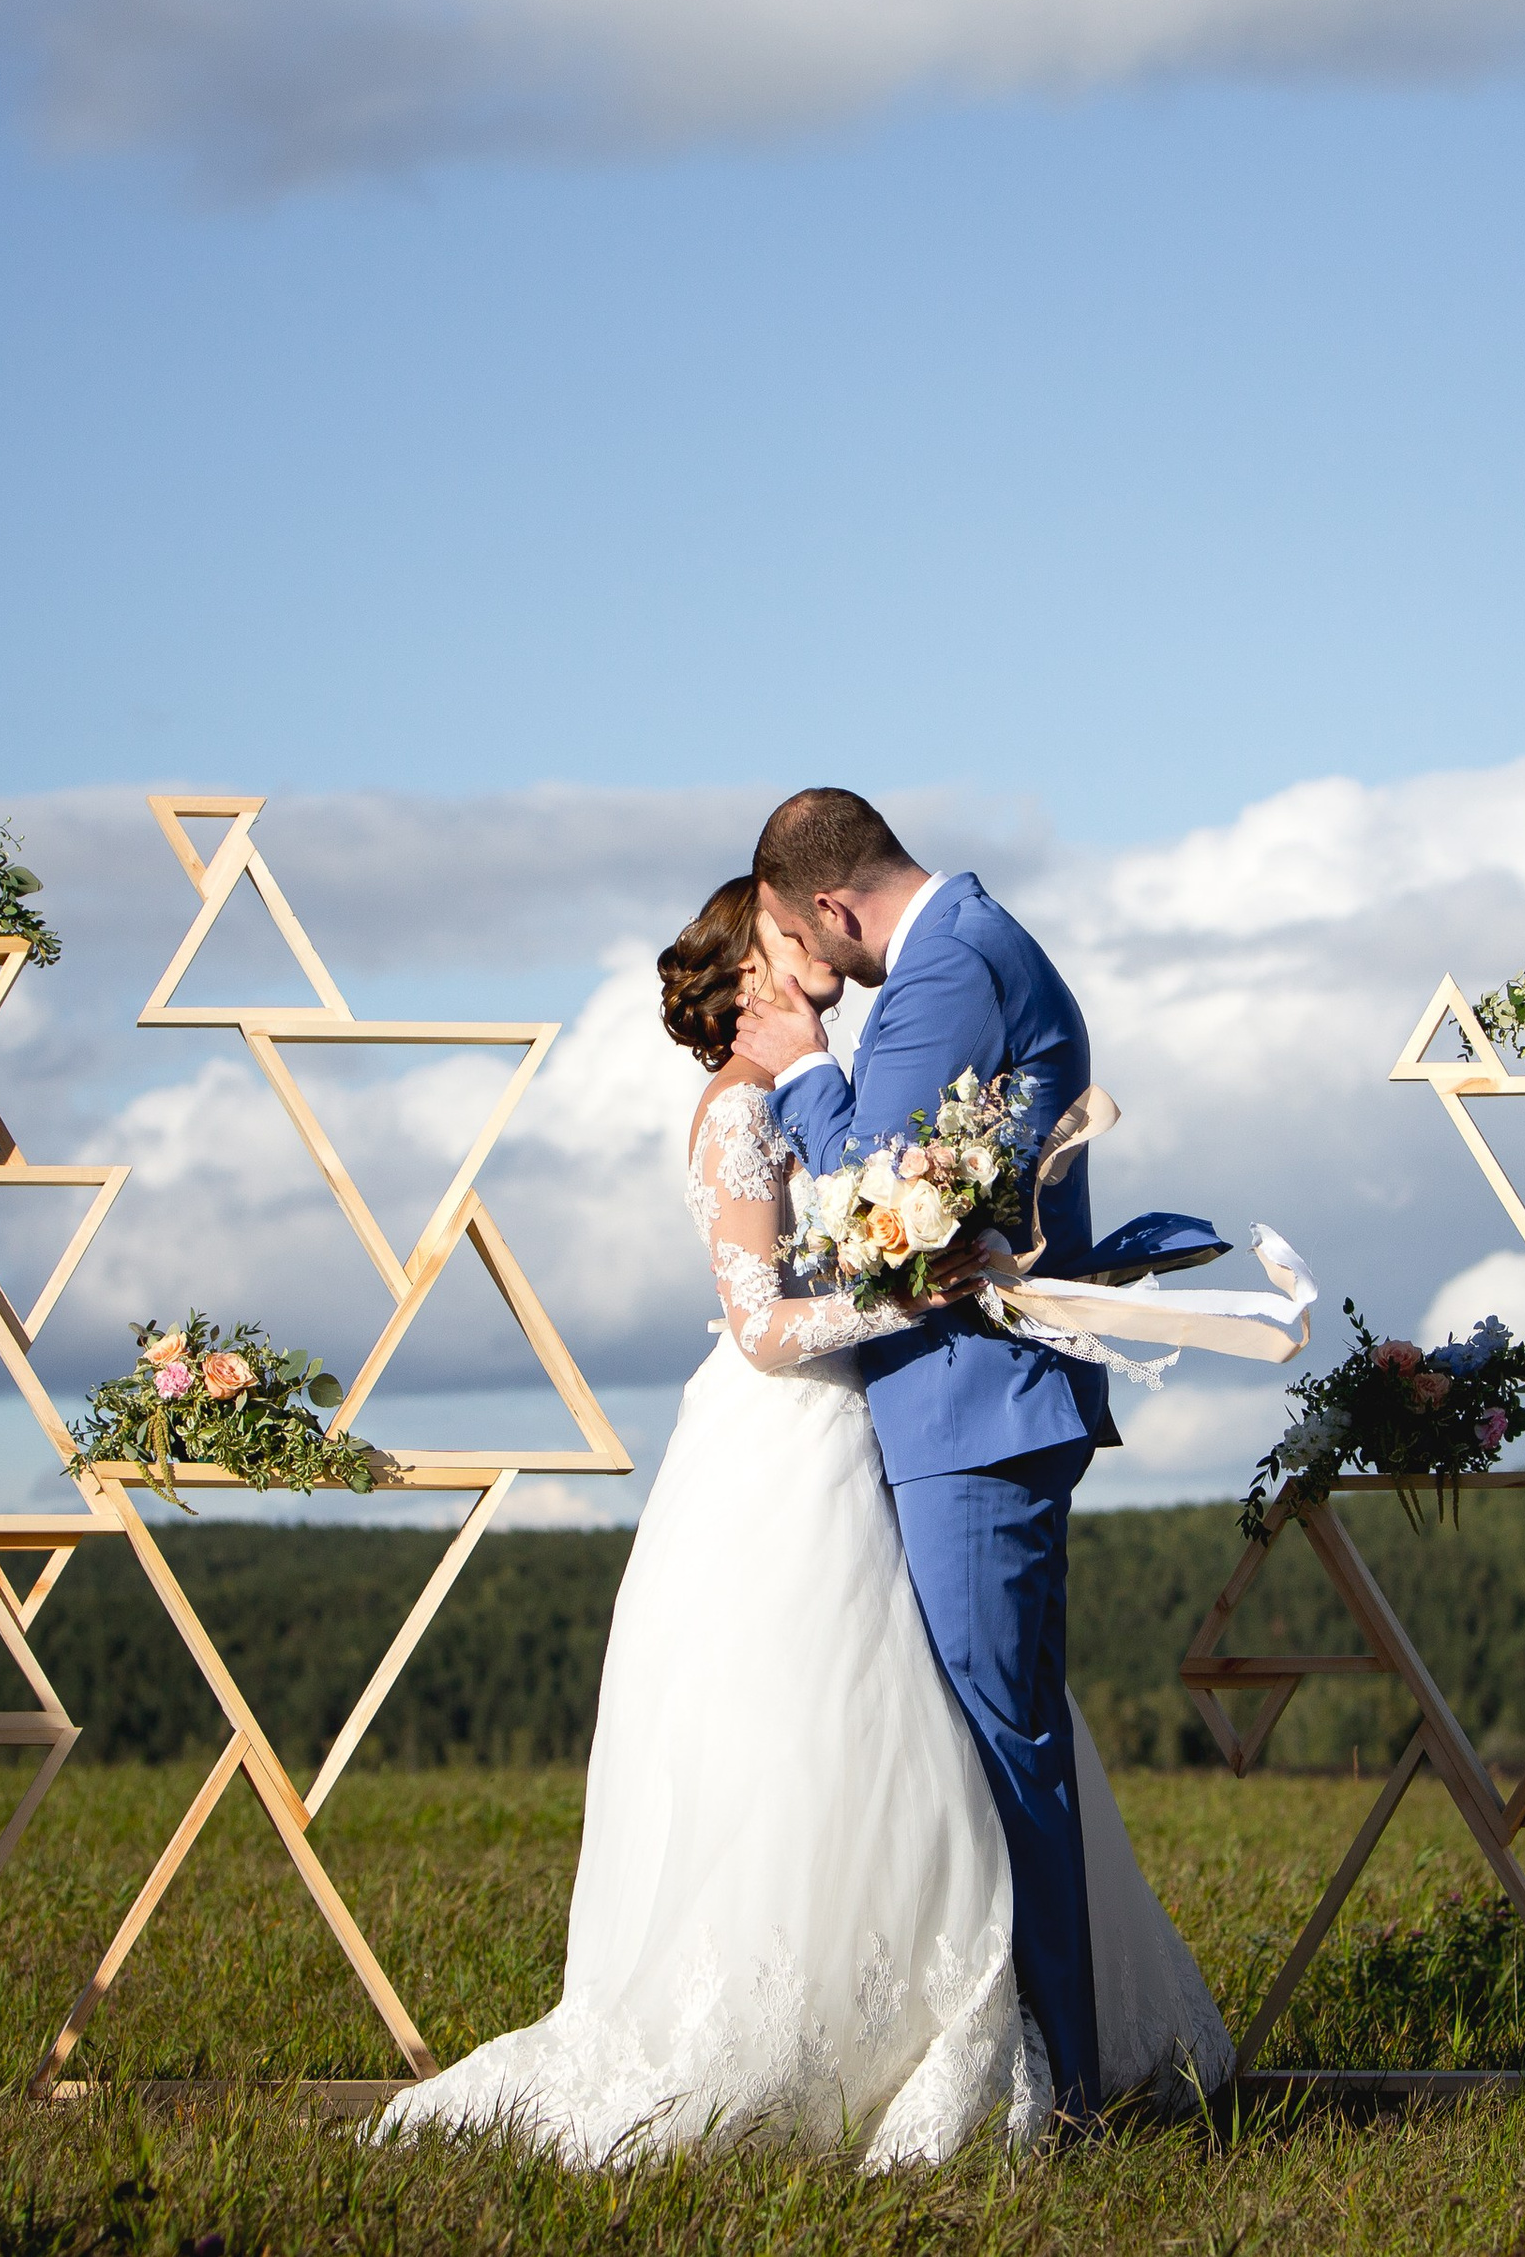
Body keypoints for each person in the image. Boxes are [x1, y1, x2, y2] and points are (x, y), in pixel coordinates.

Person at [376, 856, 1227, 2168]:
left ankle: (984, 2018)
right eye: (786, 946)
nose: (817, 961)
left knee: (918, 1736)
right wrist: (904, 1296)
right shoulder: (738, 1110)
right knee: (806, 1737)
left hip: (865, 1433)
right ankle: (823, 2042)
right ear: (748, 973)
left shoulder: (816, 1089)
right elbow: (763, 1327)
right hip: (783, 1445)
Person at [731, 788, 1123, 2119]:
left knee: (998, 1749)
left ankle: (1059, 2093)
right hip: (985, 1405)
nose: (808, 970)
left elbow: (868, 1203)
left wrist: (802, 1068)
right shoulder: (979, 943)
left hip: (972, 1408)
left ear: (827, 908)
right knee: (999, 1740)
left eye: (799, 940)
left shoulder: (943, 972)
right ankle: (1043, 2071)